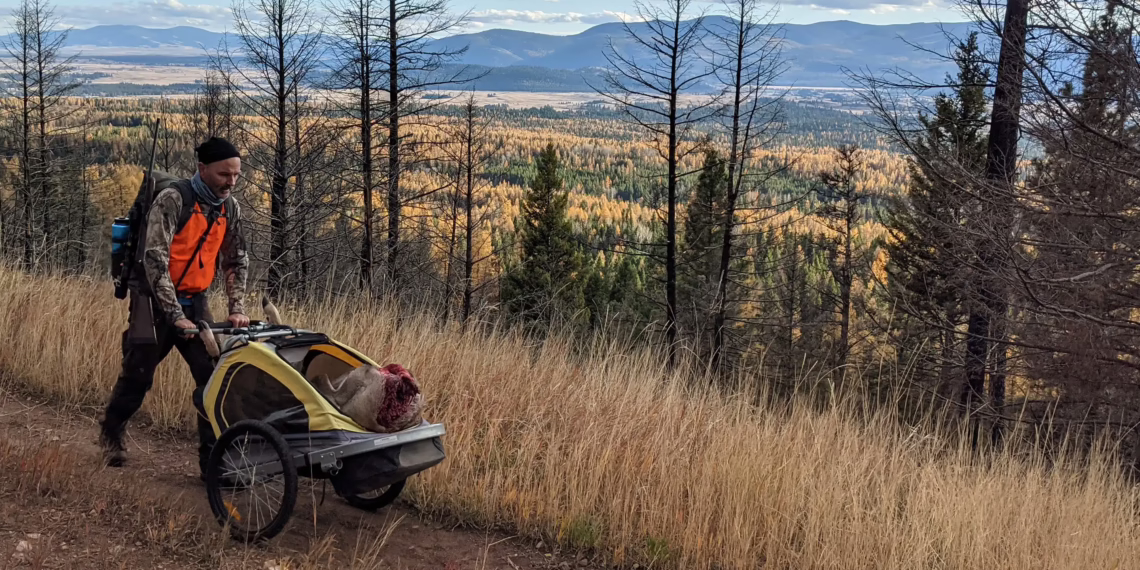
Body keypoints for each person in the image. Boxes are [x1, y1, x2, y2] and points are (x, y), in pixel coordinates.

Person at [99, 137, 250, 478]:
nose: (231, 181)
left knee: (212, 378)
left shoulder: (230, 208)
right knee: (139, 373)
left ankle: (212, 461)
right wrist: (175, 315)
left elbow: (236, 260)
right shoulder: (173, 199)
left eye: (236, 175)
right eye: (225, 174)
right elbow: (155, 260)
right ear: (202, 169)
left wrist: (236, 306)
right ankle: (111, 433)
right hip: (151, 299)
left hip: (196, 302)